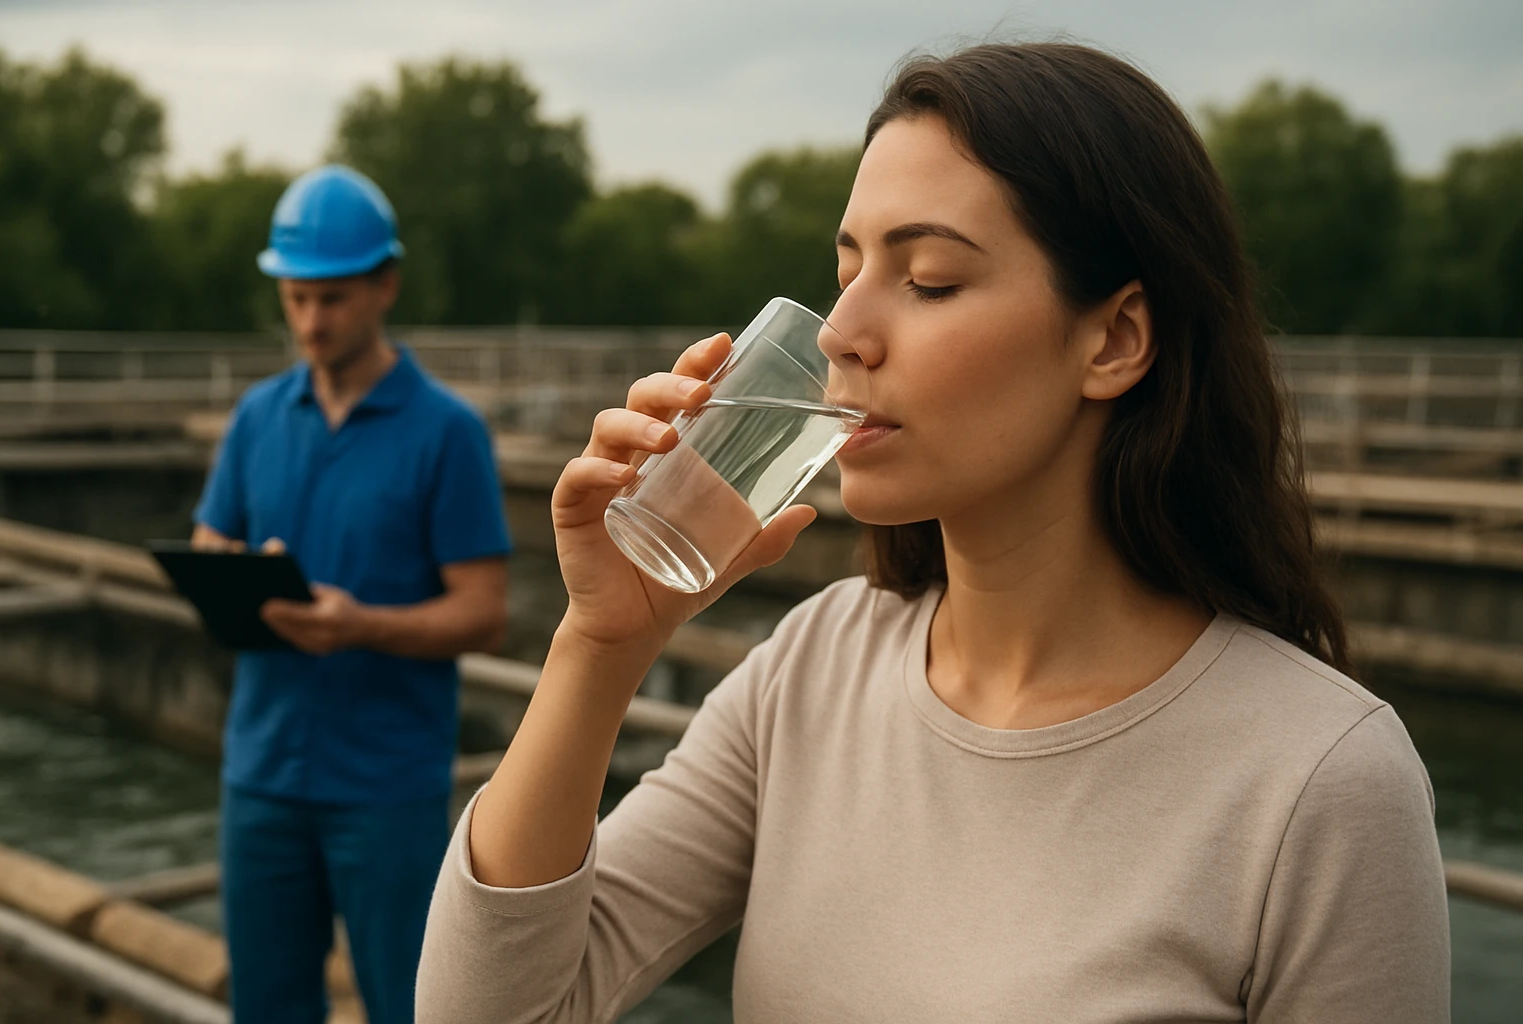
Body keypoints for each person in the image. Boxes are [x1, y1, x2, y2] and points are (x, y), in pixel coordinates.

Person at [415, 44, 1449, 1023]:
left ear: (1116, 339)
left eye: (930, 281)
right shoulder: (812, 671)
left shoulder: (1323, 777)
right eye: (848, 268)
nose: (839, 332)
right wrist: (601, 647)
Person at [193, 164, 511, 1024]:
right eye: (295, 299)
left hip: (386, 786)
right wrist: (222, 565)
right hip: (259, 771)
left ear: (384, 285)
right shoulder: (258, 415)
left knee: (409, 1004)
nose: (310, 321)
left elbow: (484, 609)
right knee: (266, 1003)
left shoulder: (446, 431)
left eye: (329, 299)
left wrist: (360, 624)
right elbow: (208, 537)